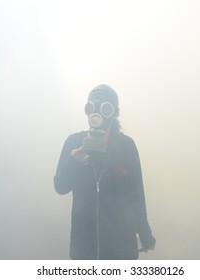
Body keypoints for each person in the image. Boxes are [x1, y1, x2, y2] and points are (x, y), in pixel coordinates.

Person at [54, 84, 156, 260]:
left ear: (115, 112)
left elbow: (136, 194)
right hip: (84, 249)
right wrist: (73, 163)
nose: (98, 114)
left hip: (121, 249)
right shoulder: (74, 143)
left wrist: (145, 234)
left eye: (105, 108)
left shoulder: (126, 146)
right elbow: (60, 186)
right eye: (92, 107)